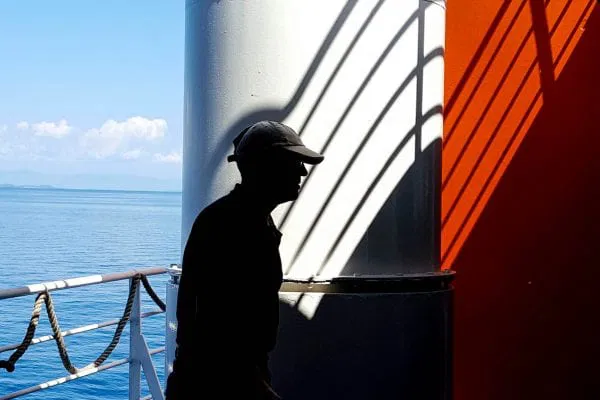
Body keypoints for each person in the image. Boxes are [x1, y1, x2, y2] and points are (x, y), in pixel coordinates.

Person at [165, 121, 324, 399]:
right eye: (293, 162)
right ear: (264, 167)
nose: (302, 171)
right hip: (218, 381)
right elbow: (218, 328)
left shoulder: (244, 220)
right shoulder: (231, 226)